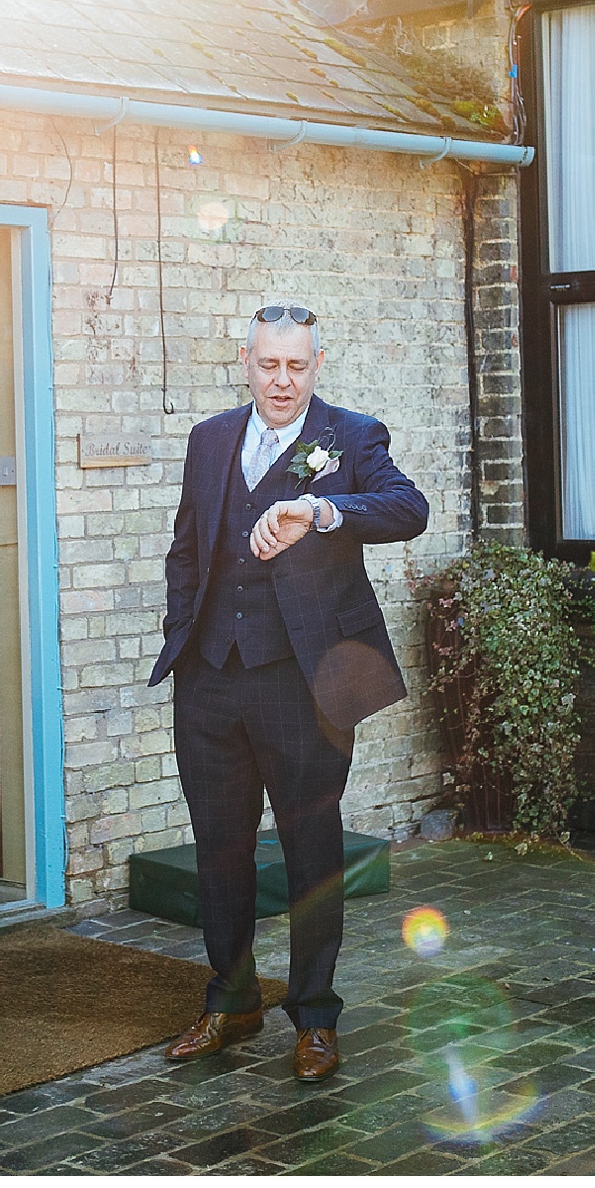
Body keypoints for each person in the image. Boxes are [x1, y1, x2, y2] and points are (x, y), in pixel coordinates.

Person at [148, 302, 428, 1084]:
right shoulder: (208, 439)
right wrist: (185, 631)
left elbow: (409, 510)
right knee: (220, 848)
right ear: (246, 360)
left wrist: (322, 507)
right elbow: (186, 545)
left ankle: (314, 1017)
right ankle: (231, 1000)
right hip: (209, 681)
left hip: (304, 682)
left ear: (318, 362)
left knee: (312, 851)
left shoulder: (351, 436)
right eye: (268, 365)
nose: (282, 381)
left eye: (296, 366)